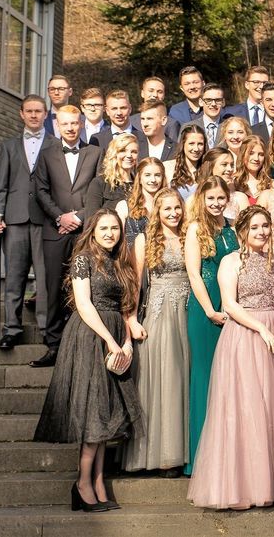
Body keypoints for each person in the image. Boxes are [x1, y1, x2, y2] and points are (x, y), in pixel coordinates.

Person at [33, 209, 142, 512]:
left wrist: (126, 341)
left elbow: (125, 307)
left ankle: (98, 481)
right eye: (103, 228)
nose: (109, 233)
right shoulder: (83, 260)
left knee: (107, 414)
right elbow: (83, 304)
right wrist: (110, 340)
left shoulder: (120, 261)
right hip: (90, 336)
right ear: (92, 231)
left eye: (114, 228)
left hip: (116, 333)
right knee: (94, 413)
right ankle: (83, 483)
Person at [188, 206, 274, 509]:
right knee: (245, 408)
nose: (261, 232)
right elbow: (230, 305)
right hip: (245, 337)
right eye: (255, 227)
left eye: (265, 226)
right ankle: (241, 486)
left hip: (272, 338)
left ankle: (270, 484)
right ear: (242, 231)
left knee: (270, 408)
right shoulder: (230, 261)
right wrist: (262, 329)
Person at [123, 189, 191, 475]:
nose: (173, 213)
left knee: (181, 380)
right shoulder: (145, 239)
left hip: (187, 312)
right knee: (160, 380)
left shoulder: (190, 236)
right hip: (159, 313)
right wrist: (130, 318)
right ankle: (154, 454)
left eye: (177, 208)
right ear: (157, 213)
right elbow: (135, 282)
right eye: (167, 209)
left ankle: (178, 454)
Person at [32, 106, 103, 368]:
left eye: (74, 123)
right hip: (55, 232)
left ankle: (81, 344)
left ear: (81, 124)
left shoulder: (95, 153)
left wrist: (80, 217)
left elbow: (99, 188)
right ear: (57, 126)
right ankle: (53, 345)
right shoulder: (46, 155)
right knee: (53, 288)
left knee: (84, 287)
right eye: (65, 124)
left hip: (85, 232)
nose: (70, 128)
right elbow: (40, 191)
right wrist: (60, 217)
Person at [183, 177, 239, 475]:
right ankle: (200, 458)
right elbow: (193, 273)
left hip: (231, 304)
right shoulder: (195, 228)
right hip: (205, 306)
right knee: (205, 377)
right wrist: (209, 311)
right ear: (202, 199)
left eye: (221, 198)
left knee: (228, 379)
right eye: (211, 198)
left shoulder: (232, 227)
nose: (216, 203)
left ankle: (226, 454)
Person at [0, 94, 58, 349]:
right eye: (29, 111)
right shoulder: (9, 146)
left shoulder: (55, 144)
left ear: (45, 114)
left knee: (45, 277)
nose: (33, 115)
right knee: (14, 276)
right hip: (14, 219)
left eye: (38, 111)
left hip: (45, 220)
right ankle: (12, 328)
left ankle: (46, 329)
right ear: (22, 114)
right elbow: (1, 186)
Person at [115, 157, 166, 247]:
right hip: (130, 254)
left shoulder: (169, 206)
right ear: (139, 178)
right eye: (147, 175)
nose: (153, 180)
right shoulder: (124, 206)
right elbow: (117, 240)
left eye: (157, 175)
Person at [84, 134, 138, 218]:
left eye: (134, 152)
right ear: (114, 153)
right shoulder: (99, 183)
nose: (129, 155)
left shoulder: (140, 184)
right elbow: (91, 219)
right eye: (123, 150)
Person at [88, 90, 141, 156]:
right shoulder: (97, 140)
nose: (119, 113)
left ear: (130, 109)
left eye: (123, 108)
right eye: (114, 109)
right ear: (107, 111)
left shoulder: (144, 138)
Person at [129, 78, 180, 143]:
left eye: (160, 92)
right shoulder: (131, 121)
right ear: (142, 93)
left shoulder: (171, 124)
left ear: (164, 95)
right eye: (151, 91)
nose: (155, 95)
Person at [233, 135, 274, 206]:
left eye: (261, 154)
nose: (256, 158)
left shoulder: (272, 185)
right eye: (251, 153)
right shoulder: (233, 183)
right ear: (242, 154)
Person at [165, 125, 206, 200]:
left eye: (200, 144)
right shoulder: (168, 167)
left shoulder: (208, 169)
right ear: (183, 144)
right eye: (191, 143)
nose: (196, 149)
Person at [195, 84, 229, 148]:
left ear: (223, 102)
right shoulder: (190, 127)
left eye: (218, 100)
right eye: (208, 100)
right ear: (201, 102)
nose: (213, 104)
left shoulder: (229, 127)